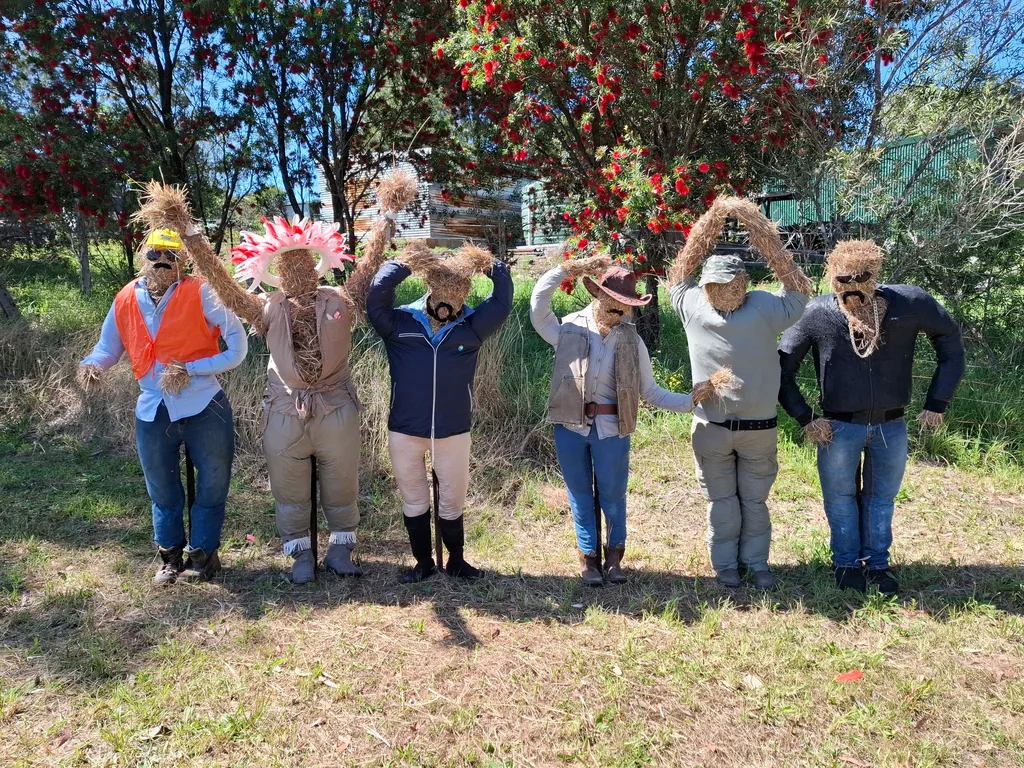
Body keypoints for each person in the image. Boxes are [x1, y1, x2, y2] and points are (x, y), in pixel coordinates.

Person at [172, 171, 418, 584]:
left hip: (336, 406)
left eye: (305, 262)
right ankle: (300, 555)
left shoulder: (342, 300)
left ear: (316, 265)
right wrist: (191, 235)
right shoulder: (265, 307)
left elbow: (370, 263)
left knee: (342, 481)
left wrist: (387, 215)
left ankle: (341, 550)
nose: (299, 270)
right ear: (278, 271)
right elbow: (224, 287)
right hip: (285, 410)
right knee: (289, 488)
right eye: (291, 264)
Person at [778, 240, 965, 594]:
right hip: (837, 426)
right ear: (831, 277)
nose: (851, 287)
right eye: (842, 280)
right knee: (839, 498)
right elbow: (781, 368)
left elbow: (950, 342)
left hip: (890, 423)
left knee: (881, 499)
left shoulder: (909, 304)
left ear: (875, 273)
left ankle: (877, 565)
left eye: (860, 278)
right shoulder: (818, 313)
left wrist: (937, 402)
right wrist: (805, 418)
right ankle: (846, 563)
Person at [531, 255, 727, 586]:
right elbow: (538, 308)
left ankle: (614, 559)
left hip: (612, 430)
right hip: (570, 428)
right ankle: (589, 560)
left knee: (612, 495)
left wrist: (691, 400)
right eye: (615, 304)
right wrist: (565, 270)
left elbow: (651, 392)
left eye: (626, 307)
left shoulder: (632, 340)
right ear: (599, 296)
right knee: (579, 494)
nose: (620, 313)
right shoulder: (569, 328)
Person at [77, 226, 247, 585]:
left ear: (183, 260)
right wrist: (93, 365)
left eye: (171, 255)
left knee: (213, 484)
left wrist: (192, 369)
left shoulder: (202, 291)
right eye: (155, 254)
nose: (162, 262)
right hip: (153, 409)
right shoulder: (125, 297)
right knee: (162, 489)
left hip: (205, 405)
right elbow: (109, 347)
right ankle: (170, 557)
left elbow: (237, 348)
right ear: (144, 256)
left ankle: (203, 556)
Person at [667, 197, 813, 589]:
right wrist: (712, 218)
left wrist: (760, 229)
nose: (723, 291)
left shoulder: (765, 307)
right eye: (715, 285)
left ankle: (757, 562)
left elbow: (799, 289)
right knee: (722, 505)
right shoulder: (693, 305)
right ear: (705, 286)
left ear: (745, 284)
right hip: (711, 427)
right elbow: (679, 271)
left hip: (758, 429)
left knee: (755, 502)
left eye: (731, 285)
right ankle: (725, 565)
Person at [366, 241, 513, 583]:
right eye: (443, 287)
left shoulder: (472, 327)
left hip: (453, 431)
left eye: (458, 289)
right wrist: (408, 261)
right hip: (405, 429)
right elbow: (377, 293)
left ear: (465, 290)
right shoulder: (399, 322)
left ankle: (457, 561)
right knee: (414, 499)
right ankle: (422, 564)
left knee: (452, 501)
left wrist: (485, 263)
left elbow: (502, 298)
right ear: (429, 286)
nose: (450, 297)